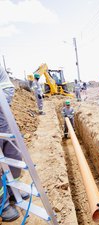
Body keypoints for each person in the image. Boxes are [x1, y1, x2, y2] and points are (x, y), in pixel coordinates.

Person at [0, 65, 25, 221]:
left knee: (14, 158)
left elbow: (8, 88)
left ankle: (13, 191)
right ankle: (3, 204)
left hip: (4, 119)